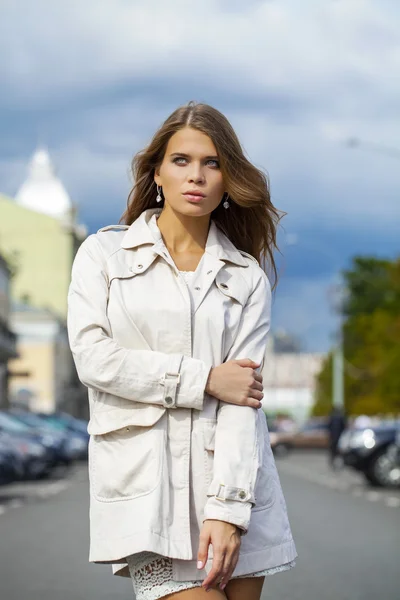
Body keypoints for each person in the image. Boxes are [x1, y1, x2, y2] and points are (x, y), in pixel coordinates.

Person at [67, 101, 297, 600]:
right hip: (150, 496)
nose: (197, 176)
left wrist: (229, 511)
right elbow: (94, 359)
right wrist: (205, 380)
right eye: (182, 161)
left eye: (213, 163)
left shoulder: (246, 277)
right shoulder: (103, 255)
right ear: (157, 173)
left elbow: (244, 403)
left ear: (228, 179)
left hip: (235, 489)